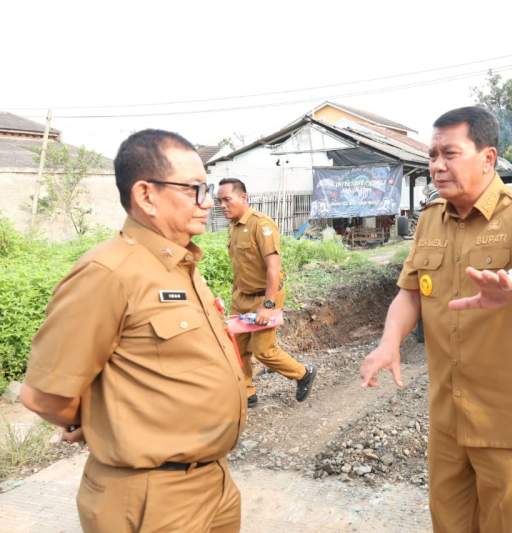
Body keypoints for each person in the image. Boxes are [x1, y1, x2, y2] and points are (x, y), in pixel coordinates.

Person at [20, 129, 246, 532]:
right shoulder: (107, 273)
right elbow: (43, 395)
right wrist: (96, 421)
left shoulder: (181, 267)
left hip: (213, 483)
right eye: (194, 189)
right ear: (146, 195)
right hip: (152, 498)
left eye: (207, 188)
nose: (208, 202)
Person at [360, 106, 512, 532]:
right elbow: (408, 292)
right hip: (449, 422)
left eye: (450, 154)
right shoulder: (429, 220)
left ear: (488, 158)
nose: (437, 166)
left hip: (511, 423)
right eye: (433, 155)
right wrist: (389, 341)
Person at [216, 178, 316, 406]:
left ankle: (303, 374)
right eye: (219, 201)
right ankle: (247, 392)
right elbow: (240, 266)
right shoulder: (233, 227)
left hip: (265, 297)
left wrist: (268, 305)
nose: (222, 205)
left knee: (263, 351)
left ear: (243, 198)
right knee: (237, 348)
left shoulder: (262, 225)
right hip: (241, 297)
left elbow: (274, 268)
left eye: (226, 199)